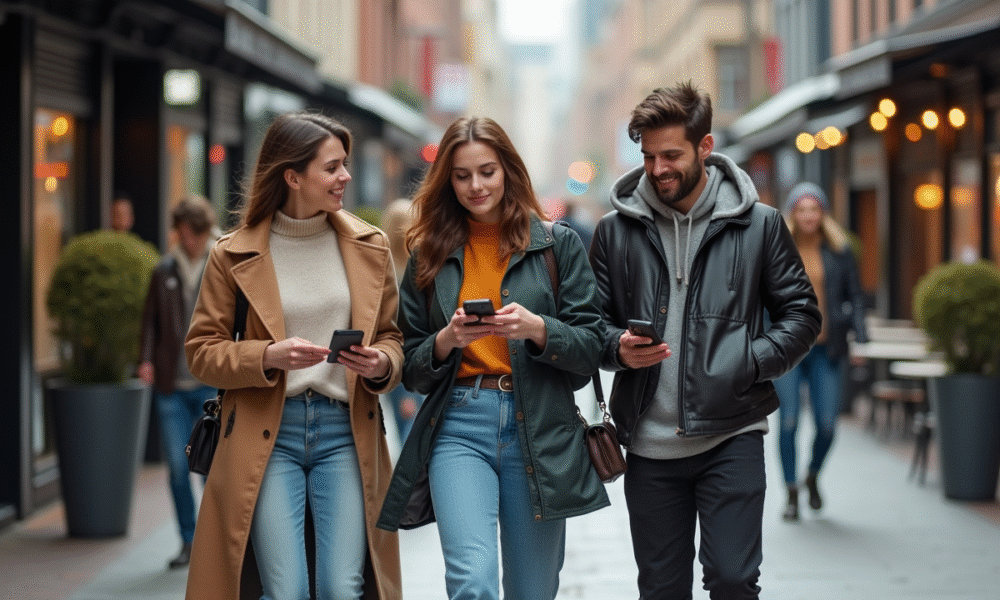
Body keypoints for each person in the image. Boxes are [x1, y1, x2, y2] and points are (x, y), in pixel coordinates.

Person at [589, 82, 821, 599]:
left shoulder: (760, 226)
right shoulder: (614, 232)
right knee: (662, 588)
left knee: (733, 580)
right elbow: (590, 324)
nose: (657, 169)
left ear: (705, 147)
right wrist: (615, 348)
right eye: (648, 157)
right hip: (648, 448)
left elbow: (802, 314)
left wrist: (750, 360)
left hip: (732, 435)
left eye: (671, 155)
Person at [376, 116, 610, 600]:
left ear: (508, 171)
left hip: (540, 428)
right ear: (447, 179)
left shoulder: (556, 244)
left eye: (487, 171)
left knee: (532, 590)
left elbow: (591, 349)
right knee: (472, 582)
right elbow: (411, 362)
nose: (475, 186)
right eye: (462, 175)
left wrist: (539, 329)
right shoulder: (428, 253)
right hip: (459, 426)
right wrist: (446, 340)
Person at [184, 111, 404, 600]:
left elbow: (393, 337)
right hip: (268, 432)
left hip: (344, 431)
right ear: (293, 176)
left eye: (344, 165)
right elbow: (201, 352)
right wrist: (267, 355)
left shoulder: (370, 246)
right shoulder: (232, 253)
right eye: (332, 168)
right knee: (286, 591)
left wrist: (382, 363)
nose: (345, 176)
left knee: (341, 587)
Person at [774, 182, 868, 521]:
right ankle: (791, 491)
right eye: (802, 209)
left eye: (814, 209)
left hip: (827, 349)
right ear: (793, 214)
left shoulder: (840, 250)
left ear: (823, 213)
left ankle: (812, 474)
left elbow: (855, 296)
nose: (809, 215)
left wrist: (861, 338)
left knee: (828, 425)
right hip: (788, 350)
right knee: (789, 421)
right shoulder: (779, 249)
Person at [138, 195, 218, 569]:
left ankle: (212, 541)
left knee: (211, 467)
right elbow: (150, 321)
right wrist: (145, 360)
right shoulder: (164, 269)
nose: (186, 241)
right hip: (172, 384)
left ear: (203, 232)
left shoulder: (222, 261)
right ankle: (188, 539)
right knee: (176, 465)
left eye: (192, 235)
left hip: (209, 386)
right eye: (181, 234)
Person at [380, 198, 422, 441]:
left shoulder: (417, 268)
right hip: (404, 377)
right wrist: (405, 393)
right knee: (410, 439)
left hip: (416, 372)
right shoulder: (392, 277)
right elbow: (395, 336)